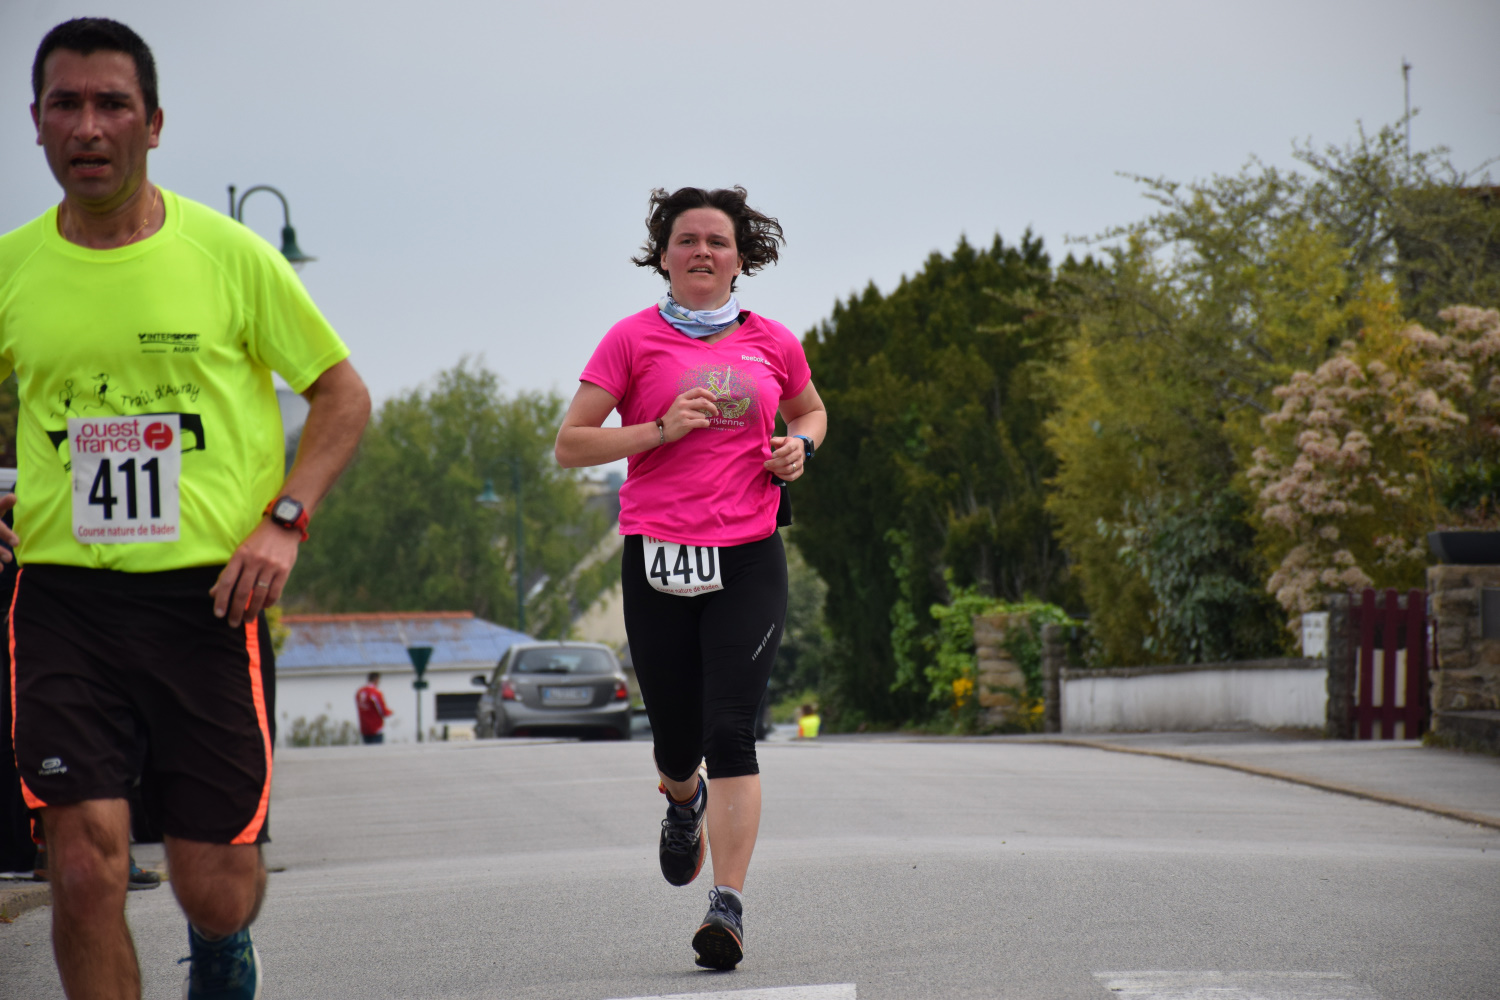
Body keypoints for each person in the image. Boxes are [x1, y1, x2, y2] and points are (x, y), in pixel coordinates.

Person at [1, 18, 370, 1000]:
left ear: (154, 124)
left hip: (210, 599)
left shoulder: (228, 254)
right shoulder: (13, 267)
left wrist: (284, 521)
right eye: (66, 104)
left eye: (112, 104)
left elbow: (342, 395)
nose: (88, 126)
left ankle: (220, 944)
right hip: (63, 600)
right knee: (85, 866)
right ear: (35, 122)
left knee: (217, 885)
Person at [556, 185, 827, 970]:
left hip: (748, 553)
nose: (702, 251)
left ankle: (728, 906)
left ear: (741, 258)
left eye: (718, 240)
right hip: (658, 553)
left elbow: (811, 412)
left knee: (731, 729)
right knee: (677, 742)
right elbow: (571, 444)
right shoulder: (630, 340)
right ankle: (684, 801)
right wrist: (658, 429)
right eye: (686, 240)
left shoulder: (773, 341)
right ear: (664, 256)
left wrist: (801, 449)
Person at [355, 672, 394, 744]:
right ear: (376, 680)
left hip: (364, 728)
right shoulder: (375, 693)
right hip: (376, 728)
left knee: (367, 749)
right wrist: (391, 712)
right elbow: (383, 711)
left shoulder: (359, 692)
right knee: (377, 749)